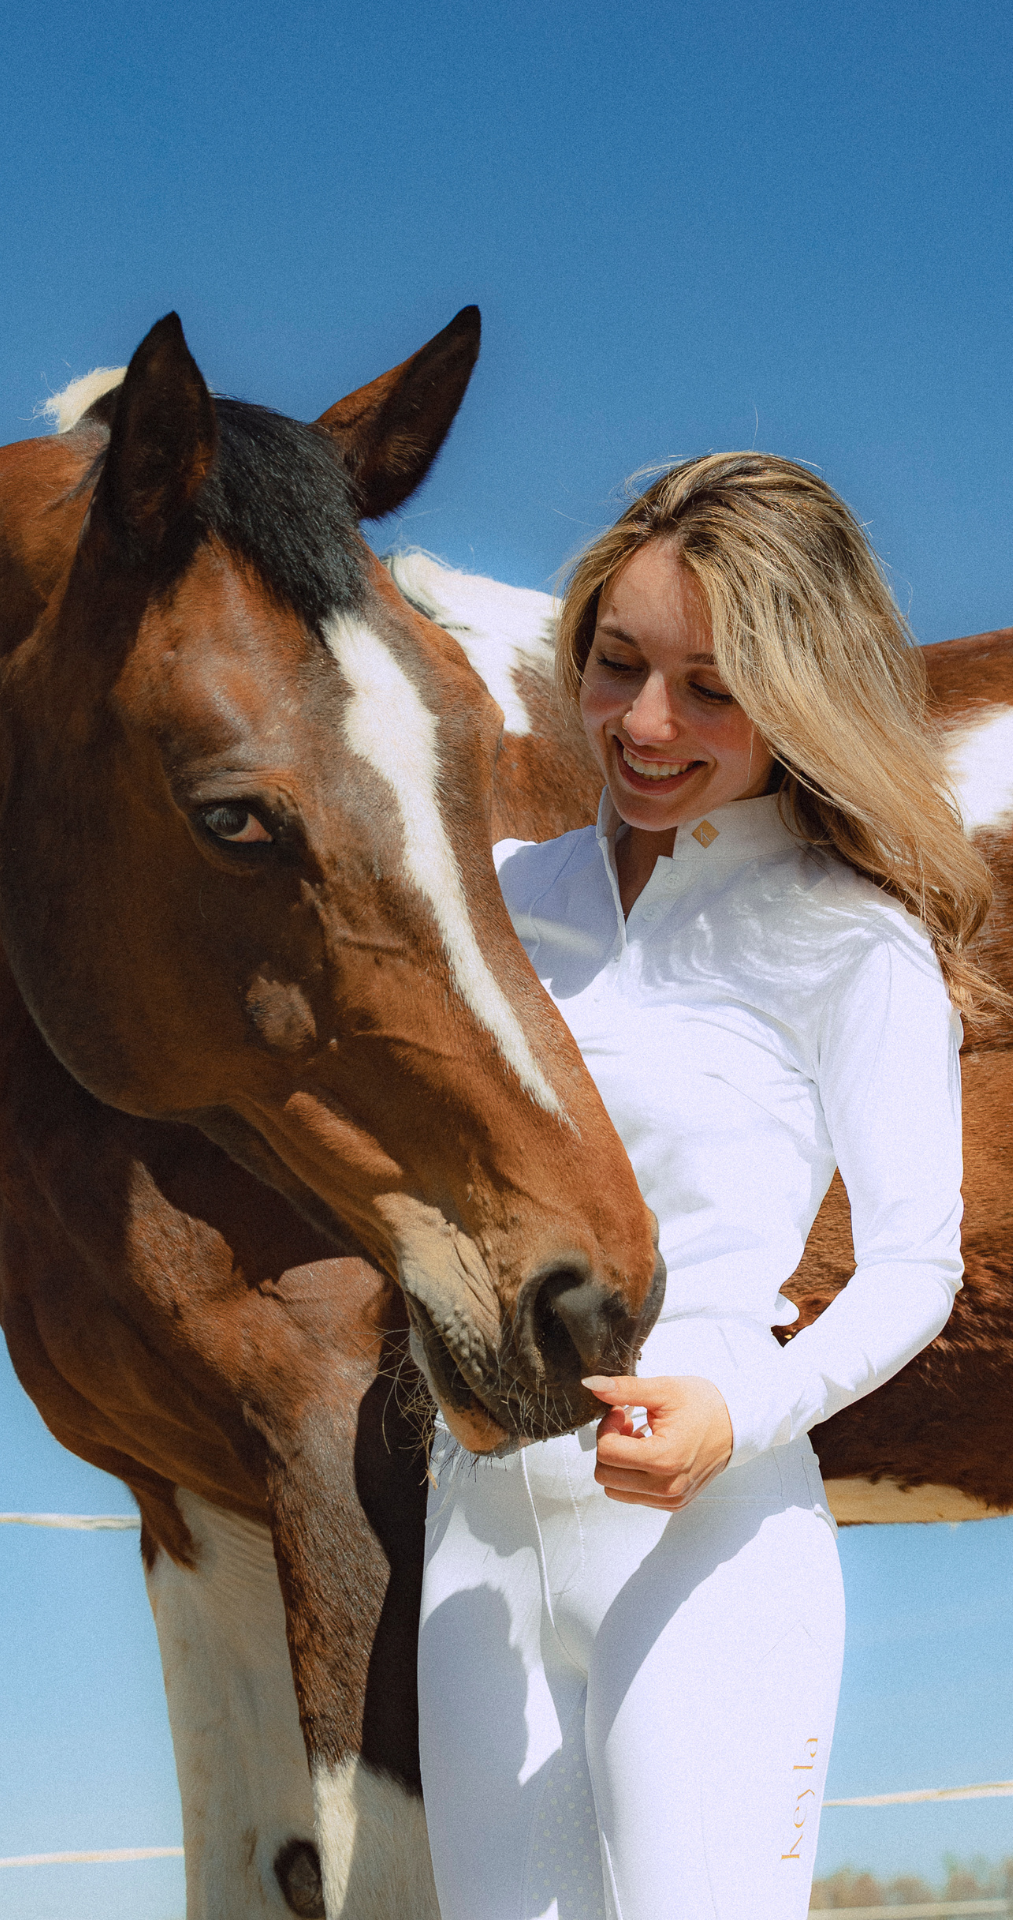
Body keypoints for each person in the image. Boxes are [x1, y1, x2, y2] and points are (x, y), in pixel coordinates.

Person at [417, 453, 994, 1920]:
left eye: (715, 690)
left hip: (709, 1542)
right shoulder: (498, 904)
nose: (647, 725)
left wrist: (740, 1415)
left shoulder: (843, 942)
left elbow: (917, 1266)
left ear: (802, 698)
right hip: (473, 1547)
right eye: (618, 666)